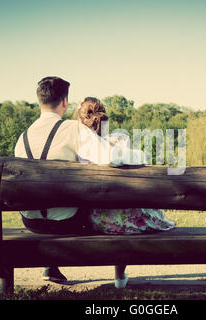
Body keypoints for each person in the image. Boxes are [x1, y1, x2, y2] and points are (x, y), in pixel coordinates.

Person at [14, 76, 140, 288]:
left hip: (31, 221)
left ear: (39, 101)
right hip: (66, 222)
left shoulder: (22, 137)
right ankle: (119, 273)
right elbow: (109, 158)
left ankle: (51, 266)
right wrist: (136, 155)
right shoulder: (73, 129)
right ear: (64, 101)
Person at [74, 97, 177, 287]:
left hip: (94, 220)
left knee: (112, 210)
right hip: (127, 218)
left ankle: (51, 267)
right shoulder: (118, 140)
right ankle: (119, 277)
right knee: (123, 208)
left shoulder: (77, 147)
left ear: (80, 121)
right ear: (104, 118)